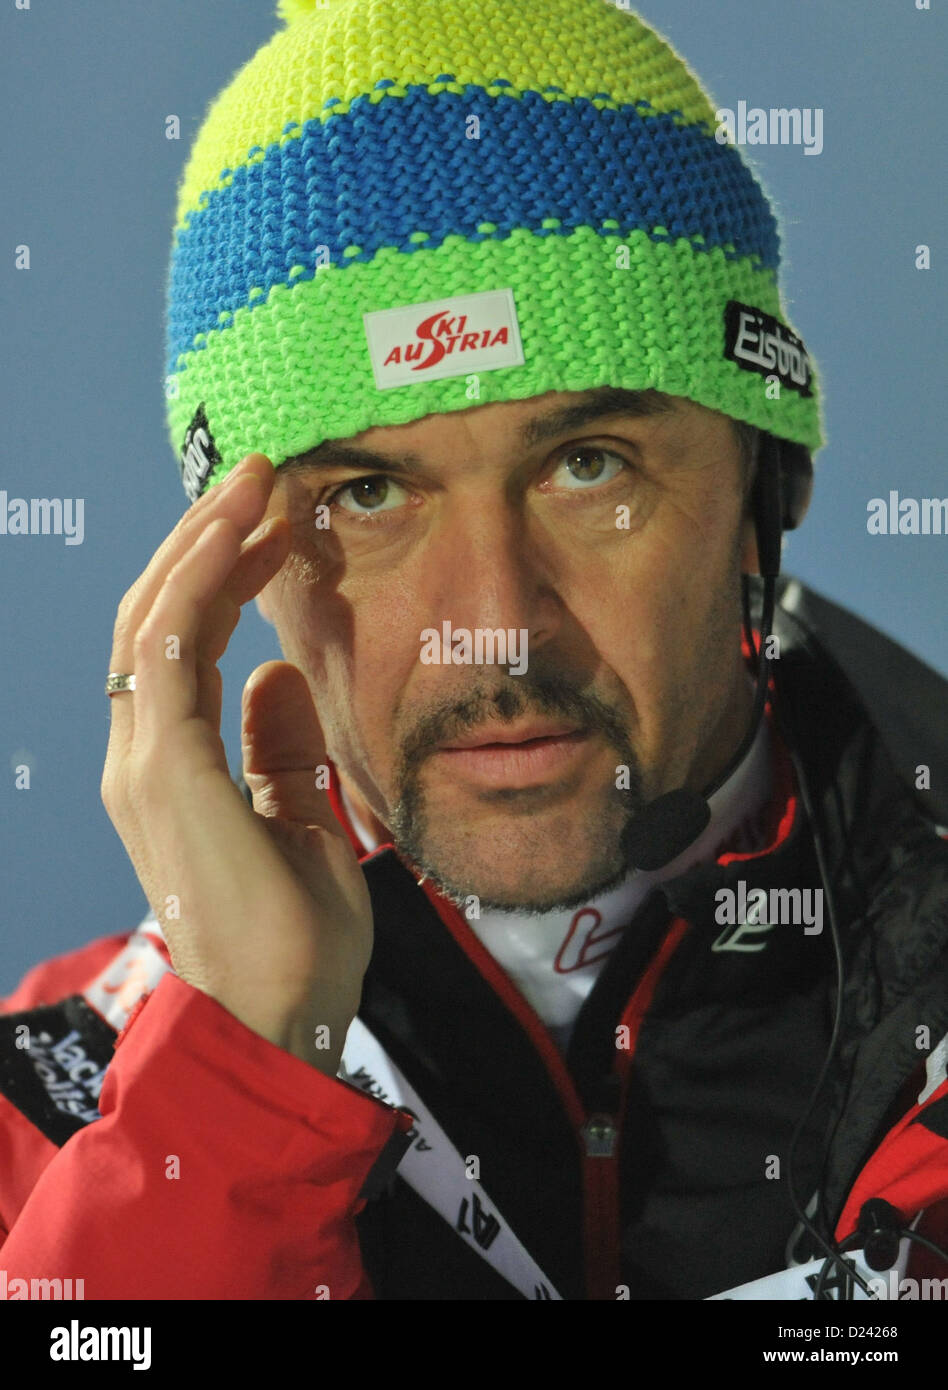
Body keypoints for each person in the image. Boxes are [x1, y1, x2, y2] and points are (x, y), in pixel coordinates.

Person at [1, 0, 946, 1302]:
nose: (494, 622)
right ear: (235, 570)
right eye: (371, 495)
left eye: (586, 465)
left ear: (763, 490)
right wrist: (247, 1074)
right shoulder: (56, 1111)